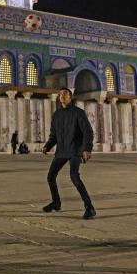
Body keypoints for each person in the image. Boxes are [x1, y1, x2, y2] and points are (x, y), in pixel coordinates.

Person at [42, 87, 96, 219]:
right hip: (61, 151)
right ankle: (56, 202)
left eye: (64, 94)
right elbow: (54, 135)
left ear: (70, 97)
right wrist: (48, 146)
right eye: (60, 94)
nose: (62, 96)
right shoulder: (57, 115)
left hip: (75, 150)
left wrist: (87, 148)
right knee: (50, 177)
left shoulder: (78, 113)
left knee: (74, 177)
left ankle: (89, 207)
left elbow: (88, 131)